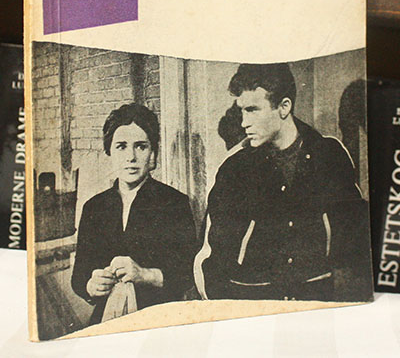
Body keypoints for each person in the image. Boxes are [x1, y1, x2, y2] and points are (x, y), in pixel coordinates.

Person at [199, 63, 372, 303]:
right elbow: (212, 261)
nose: (244, 123)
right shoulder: (234, 169)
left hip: (316, 307)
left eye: (252, 110)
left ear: (284, 107)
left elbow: (356, 244)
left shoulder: (330, 155)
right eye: (242, 111)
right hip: (254, 309)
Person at [71, 103, 196, 324]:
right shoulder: (94, 207)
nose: (131, 157)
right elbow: (79, 276)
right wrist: (91, 285)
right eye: (121, 146)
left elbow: (188, 273)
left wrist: (145, 274)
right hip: (107, 319)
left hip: (159, 319)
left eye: (140, 146)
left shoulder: (174, 203)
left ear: (153, 153)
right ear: (109, 152)